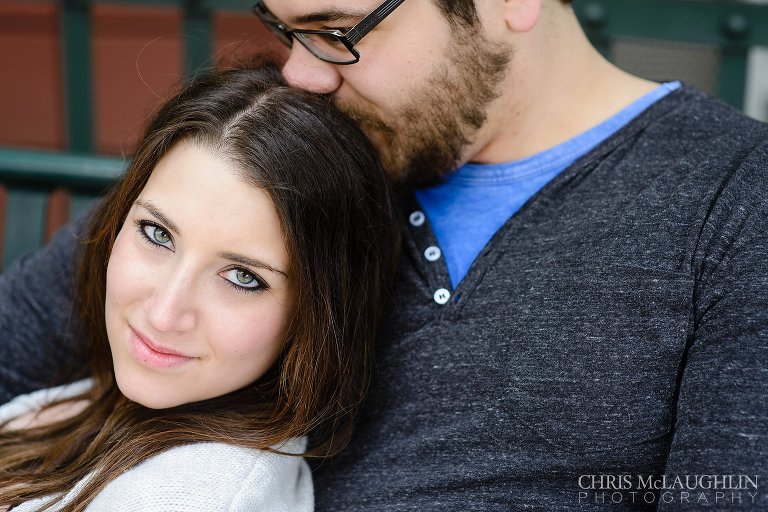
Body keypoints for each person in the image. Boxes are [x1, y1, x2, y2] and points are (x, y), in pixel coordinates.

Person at [1, 0, 766, 510]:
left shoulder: (733, 205)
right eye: (284, 28)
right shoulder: (306, 140)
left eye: (339, 30)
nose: (302, 73)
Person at [0, 64, 398, 511]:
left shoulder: (192, 497)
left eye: (243, 277)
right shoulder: (112, 401)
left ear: (317, 313)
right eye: (157, 234)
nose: (164, 315)